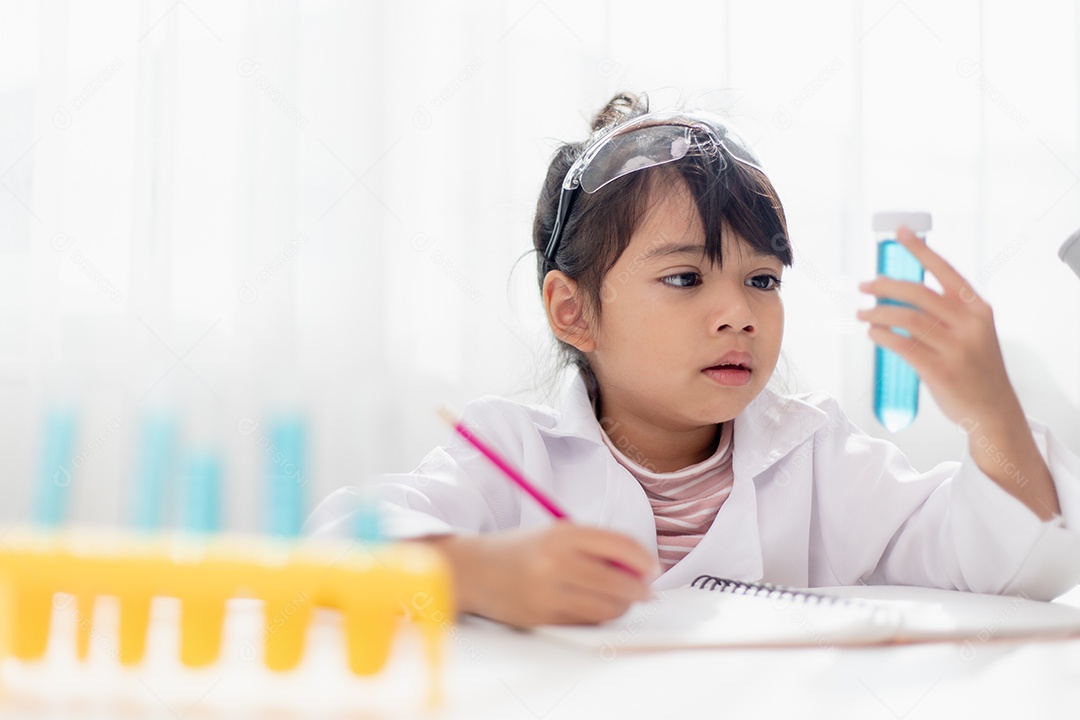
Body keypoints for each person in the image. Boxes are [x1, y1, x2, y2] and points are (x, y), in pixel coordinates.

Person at [305, 92, 1080, 628]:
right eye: (684, 278)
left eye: (762, 280)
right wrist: (477, 573)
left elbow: (1008, 574)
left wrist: (992, 414)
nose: (738, 312)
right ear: (574, 312)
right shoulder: (512, 454)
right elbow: (335, 544)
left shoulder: (818, 457)